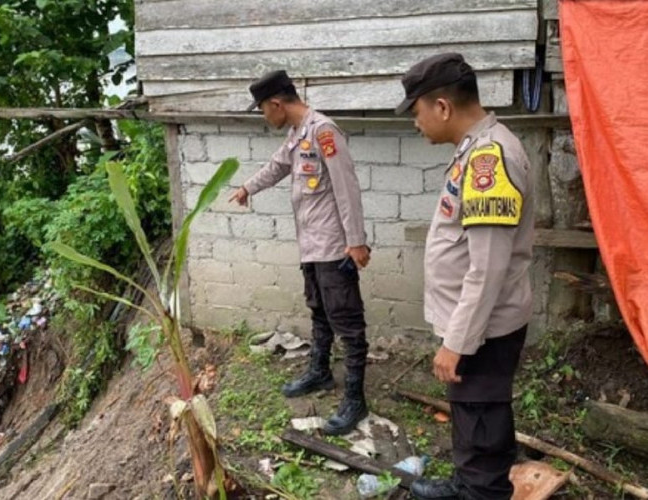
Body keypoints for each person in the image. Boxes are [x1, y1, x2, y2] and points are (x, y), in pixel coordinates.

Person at [394, 53, 534, 500]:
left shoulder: (489, 157)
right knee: (473, 416)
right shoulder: (475, 148)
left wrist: (456, 342)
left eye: (417, 112)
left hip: (482, 331)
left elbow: (488, 267)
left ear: (442, 107)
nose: (417, 123)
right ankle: (466, 482)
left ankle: (480, 491)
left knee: (481, 421)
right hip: (476, 326)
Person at [229, 70, 371, 435]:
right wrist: (247, 188)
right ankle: (320, 372)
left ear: (277, 103)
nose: (264, 117)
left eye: (263, 109)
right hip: (311, 245)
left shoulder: (324, 132)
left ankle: (355, 399)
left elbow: (347, 188)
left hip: (333, 247)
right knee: (319, 311)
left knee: (348, 323)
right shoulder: (297, 135)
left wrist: (356, 240)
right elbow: (277, 167)